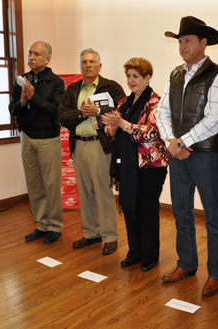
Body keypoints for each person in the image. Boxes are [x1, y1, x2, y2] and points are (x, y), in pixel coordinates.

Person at [156, 16, 218, 296]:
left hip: (206, 156)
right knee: (181, 211)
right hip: (178, 153)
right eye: (179, 41)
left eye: (187, 40)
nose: (182, 45)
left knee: (213, 215)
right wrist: (171, 142)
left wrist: (181, 141)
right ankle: (186, 263)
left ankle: (216, 273)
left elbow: (215, 118)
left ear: (203, 43)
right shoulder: (175, 74)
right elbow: (161, 112)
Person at [102, 57, 168, 272]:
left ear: (147, 78)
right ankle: (134, 252)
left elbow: (150, 134)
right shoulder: (124, 102)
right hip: (128, 165)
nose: (131, 80)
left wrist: (121, 124)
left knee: (146, 210)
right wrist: (111, 128)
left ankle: (149, 256)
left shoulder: (157, 103)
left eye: (136, 76)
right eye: (128, 76)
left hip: (151, 167)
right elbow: (113, 133)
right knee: (129, 208)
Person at [58, 48, 125, 255]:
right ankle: (91, 232)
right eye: (84, 62)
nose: (88, 65)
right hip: (79, 145)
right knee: (85, 192)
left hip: (100, 145)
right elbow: (62, 115)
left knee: (103, 191)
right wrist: (82, 113)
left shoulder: (111, 87)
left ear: (99, 66)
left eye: (92, 62)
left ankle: (110, 236)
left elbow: (122, 111)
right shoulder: (73, 89)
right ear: (80, 66)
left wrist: (98, 111)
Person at [9, 40, 65, 245]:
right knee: (34, 185)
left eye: (37, 54)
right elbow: (12, 109)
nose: (31, 57)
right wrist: (22, 102)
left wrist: (34, 98)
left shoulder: (56, 82)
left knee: (51, 185)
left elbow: (55, 110)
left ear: (47, 58)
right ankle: (41, 225)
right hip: (27, 137)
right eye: (30, 53)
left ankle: (55, 226)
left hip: (48, 139)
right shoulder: (21, 80)